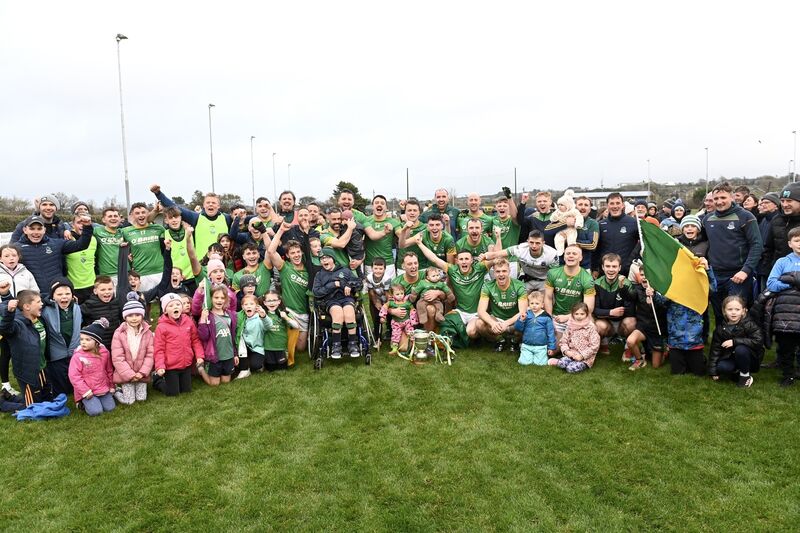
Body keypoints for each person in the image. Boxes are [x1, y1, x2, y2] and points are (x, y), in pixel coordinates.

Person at [703, 182, 763, 318]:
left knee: (735, 314)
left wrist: (745, 270)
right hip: (715, 274)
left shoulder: (746, 217)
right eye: (716, 198)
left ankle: (739, 334)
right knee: (719, 314)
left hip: (738, 275)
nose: (719, 202)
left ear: (731, 197)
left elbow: (757, 245)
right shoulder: (707, 219)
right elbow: (704, 244)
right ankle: (721, 333)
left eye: (723, 198)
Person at [413, 236, 488, 341]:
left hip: (476, 313)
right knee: (445, 323)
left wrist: (487, 255)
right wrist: (420, 244)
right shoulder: (452, 270)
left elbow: (497, 259)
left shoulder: (480, 268)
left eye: (467, 259)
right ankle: (445, 339)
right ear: (457, 261)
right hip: (460, 312)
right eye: (461, 259)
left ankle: (475, 337)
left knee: (471, 332)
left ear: (472, 260)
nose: (464, 262)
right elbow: (434, 259)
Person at [16, 214, 94, 299]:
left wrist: (87, 227)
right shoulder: (16, 249)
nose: (36, 232)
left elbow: (81, 245)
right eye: (32, 229)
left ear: (44, 230)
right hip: (33, 298)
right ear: (25, 230)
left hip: (56, 295)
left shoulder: (56, 244)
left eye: (39, 229)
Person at [151, 185, 233, 261]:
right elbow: (175, 207)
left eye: (213, 203)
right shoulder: (196, 218)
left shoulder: (227, 218)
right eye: (208, 202)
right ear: (204, 205)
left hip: (222, 263)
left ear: (218, 206)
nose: (210, 204)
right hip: (202, 264)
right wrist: (158, 193)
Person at [664, 258, 714, 377]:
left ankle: (699, 359)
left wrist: (708, 269)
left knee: (699, 372)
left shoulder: (698, 289)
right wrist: (652, 293)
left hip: (694, 341)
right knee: (677, 373)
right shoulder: (673, 289)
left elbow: (712, 289)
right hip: (675, 341)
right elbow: (661, 300)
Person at [0, 290, 52, 405]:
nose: (42, 304)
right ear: (27, 307)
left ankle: (9, 397)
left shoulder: (40, 320)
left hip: (42, 368)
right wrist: (9, 312)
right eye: (38, 302)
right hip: (28, 373)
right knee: (33, 406)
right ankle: (3, 403)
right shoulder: (18, 325)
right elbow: (5, 328)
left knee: (47, 400)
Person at [0, 243, 40, 395]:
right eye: (6, 256)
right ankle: (5, 384)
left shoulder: (26, 272)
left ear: (19, 257)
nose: (11, 258)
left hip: (24, 316)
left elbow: (35, 291)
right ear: (1, 258)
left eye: (14, 255)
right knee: (5, 350)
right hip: (5, 316)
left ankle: (30, 379)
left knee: (22, 347)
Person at [266, 231, 309, 367]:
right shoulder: (285, 267)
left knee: (301, 348)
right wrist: (281, 230)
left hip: (304, 313)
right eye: (292, 253)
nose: (296, 255)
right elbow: (271, 251)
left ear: (302, 252)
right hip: (289, 311)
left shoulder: (309, 270)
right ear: (288, 255)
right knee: (289, 344)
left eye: (298, 252)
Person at [312, 248, 363, 358]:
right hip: (330, 300)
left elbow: (359, 283)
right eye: (322, 258)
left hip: (346, 298)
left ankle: (352, 344)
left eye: (327, 257)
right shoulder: (319, 275)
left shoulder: (345, 271)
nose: (324, 260)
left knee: (349, 313)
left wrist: (350, 285)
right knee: (338, 313)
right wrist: (333, 285)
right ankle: (336, 345)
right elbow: (316, 292)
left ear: (333, 259)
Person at [765, 226, 800, 387]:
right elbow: (772, 283)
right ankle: (788, 375)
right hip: (786, 311)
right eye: (797, 240)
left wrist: (789, 279)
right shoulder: (782, 262)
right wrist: (793, 283)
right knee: (787, 345)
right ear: (790, 243)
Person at [153, 293, 204, 397]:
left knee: (186, 391)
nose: (175, 307)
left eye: (177, 304)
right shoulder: (161, 327)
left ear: (181, 307)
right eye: (171, 306)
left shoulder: (188, 321)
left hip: (186, 364)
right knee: (173, 393)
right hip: (171, 366)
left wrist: (199, 356)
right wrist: (160, 366)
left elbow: (195, 340)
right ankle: (157, 381)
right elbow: (159, 349)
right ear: (165, 310)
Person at [40, 278, 82, 396]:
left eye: (67, 294)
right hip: (56, 355)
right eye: (59, 294)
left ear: (72, 295)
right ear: (52, 296)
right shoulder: (46, 310)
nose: (64, 297)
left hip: (74, 351)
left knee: (74, 381)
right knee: (61, 389)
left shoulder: (76, 308)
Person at [544, 245, 596, 342]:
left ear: (580, 258)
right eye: (568, 253)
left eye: (574, 254)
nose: (570, 255)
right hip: (558, 317)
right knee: (555, 347)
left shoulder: (587, 278)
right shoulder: (552, 273)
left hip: (578, 317)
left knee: (589, 332)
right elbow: (548, 298)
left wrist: (568, 317)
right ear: (564, 257)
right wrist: (549, 318)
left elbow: (589, 308)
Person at [708, 296, 762, 388]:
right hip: (730, 357)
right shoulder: (720, 329)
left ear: (743, 311)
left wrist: (735, 341)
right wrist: (713, 371)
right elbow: (715, 350)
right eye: (730, 309)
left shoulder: (750, 324)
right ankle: (737, 373)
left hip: (750, 358)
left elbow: (758, 341)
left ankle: (745, 375)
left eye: (737, 309)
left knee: (740, 349)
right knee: (722, 367)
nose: (733, 312)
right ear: (724, 311)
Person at [476, 258, 528, 352]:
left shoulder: (519, 286)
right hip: (497, 320)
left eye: (504, 271)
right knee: (479, 323)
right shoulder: (488, 286)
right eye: (498, 271)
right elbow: (481, 311)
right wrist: (493, 323)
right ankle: (499, 340)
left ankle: (515, 341)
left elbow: (522, 312)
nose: (501, 274)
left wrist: (506, 323)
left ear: (509, 271)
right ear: (494, 273)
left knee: (527, 321)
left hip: (514, 321)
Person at [111, 295, 154, 404]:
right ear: (125, 317)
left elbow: (150, 355)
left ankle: (137, 384)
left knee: (141, 398)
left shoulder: (148, 332)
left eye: (137, 315)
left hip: (141, 373)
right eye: (130, 315)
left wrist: (142, 373)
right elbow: (117, 358)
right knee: (129, 401)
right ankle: (116, 391)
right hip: (125, 374)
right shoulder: (119, 333)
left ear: (142, 316)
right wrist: (130, 375)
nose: (134, 318)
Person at [68, 318, 116, 416]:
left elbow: (109, 370)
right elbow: (74, 376)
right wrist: (85, 391)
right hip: (87, 391)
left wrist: (111, 386)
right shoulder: (78, 356)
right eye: (81, 339)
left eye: (87, 340)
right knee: (96, 411)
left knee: (110, 408)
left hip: (102, 388)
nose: (83, 342)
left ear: (97, 342)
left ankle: (100, 399)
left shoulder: (105, 353)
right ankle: (81, 403)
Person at [624, 263, 666, 370]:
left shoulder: (661, 290)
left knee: (656, 365)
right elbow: (628, 297)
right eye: (642, 275)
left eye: (647, 275)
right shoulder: (637, 289)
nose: (644, 278)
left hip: (657, 331)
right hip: (642, 327)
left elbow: (665, 305)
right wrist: (622, 287)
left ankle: (665, 350)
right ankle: (639, 360)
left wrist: (654, 295)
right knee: (630, 341)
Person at [485, 230, 558, 291]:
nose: (534, 246)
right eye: (531, 242)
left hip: (544, 281)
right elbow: (500, 253)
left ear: (543, 243)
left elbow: (554, 275)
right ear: (527, 241)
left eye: (537, 243)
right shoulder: (521, 249)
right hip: (527, 280)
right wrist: (485, 255)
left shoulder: (552, 254)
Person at [592, 253, 636, 354]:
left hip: (622, 323)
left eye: (614, 266)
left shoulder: (627, 283)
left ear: (619, 268)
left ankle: (628, 348)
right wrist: (611, 312)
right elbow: (595, 310)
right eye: (607, 266)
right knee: (598, 325)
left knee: (632, 322)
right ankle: (604, 343)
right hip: (607, 323)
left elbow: (631, 311)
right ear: (603, 267)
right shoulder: (597, 284)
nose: (611, 269)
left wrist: (620, 312)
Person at [119, 202, 167, 293]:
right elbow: (118, 246)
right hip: (141, 273)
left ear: (148, 213)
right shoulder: (125, 232)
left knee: (163, 298)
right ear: (132, 215)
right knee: (143, 299)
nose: (141, 215)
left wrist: (156, 211)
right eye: (137, 213)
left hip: (160, 271)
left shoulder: (159, 228)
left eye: (143, 212)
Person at [196, 286, 238, 386]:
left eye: (222, 298)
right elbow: (204, 336)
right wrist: (203, 320)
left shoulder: (230, 315)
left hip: (228, 355)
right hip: (214, 357)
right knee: (214, 384)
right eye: (216, 297)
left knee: (226, 382)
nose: (219, 300)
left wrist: (235, 354)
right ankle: (201, 369)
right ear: (210, 298)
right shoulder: (208, 316)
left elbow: (232, 337)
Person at [593, 193, 639, 277]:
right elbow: (596, 249)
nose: (615, 206)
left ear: (622, 205)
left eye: (618, 203)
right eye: (612, 203)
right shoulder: (600, 224)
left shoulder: (634, 223)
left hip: (627, 272)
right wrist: (595, 268)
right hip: (605, 273)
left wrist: (631, 263)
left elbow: (642, 245)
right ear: (607, 205)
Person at [547, 302, 600, 373]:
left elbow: (594, 346)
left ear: (587, 314)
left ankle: (572, 364)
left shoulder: (590, 327)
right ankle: (559, 362)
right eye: (576, 314)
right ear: (572, 314)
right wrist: (567, 352)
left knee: (570, 369)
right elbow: (563, 341)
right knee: (562, 364)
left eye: (582, 314)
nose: (579, 316)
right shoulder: (570, 326)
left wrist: (582, 356)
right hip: (571, 354)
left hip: (584, 358)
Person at [234, 294, 273, 377]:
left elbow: (269, 326)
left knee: (255, 365)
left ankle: (260, 364)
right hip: (243, 348)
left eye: (251, 304)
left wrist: (264, 316)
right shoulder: (240, 317)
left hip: (256, 348)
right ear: (242, 307)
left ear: (256, 306)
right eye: (246, 304)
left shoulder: (260, 318)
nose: (248, 306)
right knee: (236, 364)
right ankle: (244, 368)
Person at [514, 291, 556, 366]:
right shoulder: (526, 315)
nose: (534, 306)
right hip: (527, 345)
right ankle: (526, 354)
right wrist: (521, 320)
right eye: (532, 303)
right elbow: (518, 328)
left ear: (542, 305)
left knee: (540, 364)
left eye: (537, 303)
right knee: (524, 363)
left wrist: (551, 347)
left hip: (541, 346)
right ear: (529, 304)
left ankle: (540, 357)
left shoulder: (546, 317)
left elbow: (550, 333)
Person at [64, 212, 98, 303]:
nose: (82, 225)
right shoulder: (67, 238)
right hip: (74, 287)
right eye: (79, 222)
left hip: (92, 285)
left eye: (85, 222)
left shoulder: (93, 239)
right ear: (72, 224)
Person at [364, 195, 402, 275]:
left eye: (382, 203)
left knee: (390, 284)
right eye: (376, 203)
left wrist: (406, 228)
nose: (379, 204)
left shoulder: (393, 222)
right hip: (370, 264)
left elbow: (402, 236)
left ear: (386, 207)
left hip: (388, 264)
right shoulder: (366, 221)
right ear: (372, 206)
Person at [379, 284, 417, 355]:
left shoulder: (407, 303)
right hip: (396, 322)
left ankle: (414, 347)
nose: (400, 296)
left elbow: (413, 310)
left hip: (407, 322)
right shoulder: (391, 302)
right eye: (397, 294)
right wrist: (382, 317)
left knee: (411, 333)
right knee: (395, 335)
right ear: (392, 294)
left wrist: (413, 320)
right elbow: (384, 308)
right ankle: (394, 348)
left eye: (402, 293)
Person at [93, 207, 125, 289]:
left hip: (125, 273)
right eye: (110, 216)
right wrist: (68, 231)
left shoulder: (123, 232)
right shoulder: (96, 231)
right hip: (107, 275)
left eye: (115, 216)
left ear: (120, 219)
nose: (113, 218)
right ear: (103, 220)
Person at [549, 190, 584, 255]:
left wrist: (578, 224)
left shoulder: (573, 211)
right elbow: (552, 218)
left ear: (567, 205)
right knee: (558, 239)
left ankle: (571, 251)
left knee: (571, 240)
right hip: (561, 231)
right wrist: (554, 218)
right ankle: (560, 250)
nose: (559, 206)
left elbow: (579, 217)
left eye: (562, 205)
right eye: (558, 204)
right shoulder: (557, 211)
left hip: (571, 230)